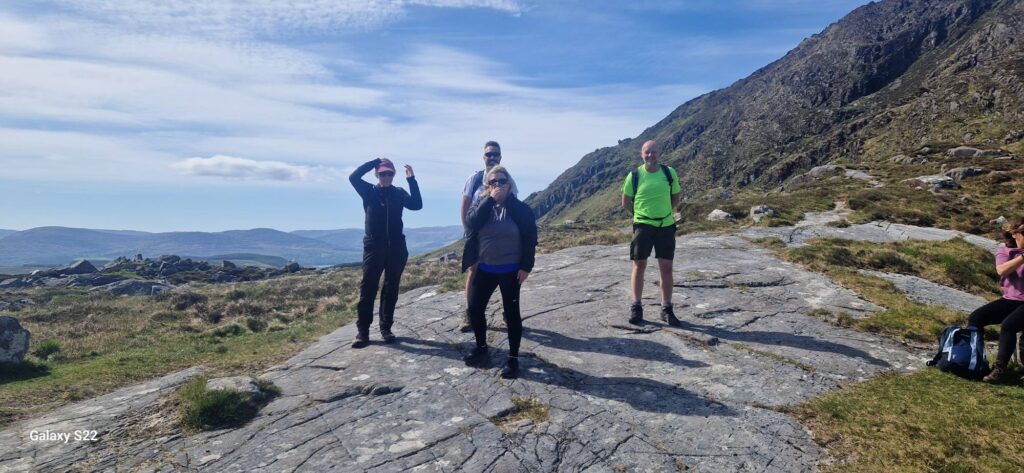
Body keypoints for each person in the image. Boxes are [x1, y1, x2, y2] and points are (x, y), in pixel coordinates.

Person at [460, 165, 537, 379]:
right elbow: (472, 222)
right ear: (487, 186)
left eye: (501, 181)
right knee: (475, 309)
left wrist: (525, 267)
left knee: (512, 315)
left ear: (509, 185)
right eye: (493, 182)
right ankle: (482, 348)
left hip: (511, 270)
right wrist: (490, 200)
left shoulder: (521, 209)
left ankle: (512, 360)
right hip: (484, 267)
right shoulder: (483, 205)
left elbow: (531, 238)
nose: (497, 185)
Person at [348, 158, 422, 348]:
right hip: (374, 246)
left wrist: (412, 180)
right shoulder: (368, 191)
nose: (386, 177)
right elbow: (353, 177)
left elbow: (416, 204)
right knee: (368, 288)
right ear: (377, 174)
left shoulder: (398, 193)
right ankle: (362, 332)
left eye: (389, 173)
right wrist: (374, 161)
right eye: (382, 173)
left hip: (397, 247)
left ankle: (386, 328)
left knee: (391, 289)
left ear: (393, 174)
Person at [458, 141, 519, 332]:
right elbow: (465, 204)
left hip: (501, 237)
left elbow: (514, 207)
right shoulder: (474, 179)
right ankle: (470, 313)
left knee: (506, 273)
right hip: (478, 235)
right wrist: (468, 230)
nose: (492, 157)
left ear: (500, 156)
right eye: (488, 154)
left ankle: (508, 313)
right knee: (474, 271)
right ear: (483, 157)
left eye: (495, 154)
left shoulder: (508, 179)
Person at [621, 140, 682, 326]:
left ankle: (666, 308)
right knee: (639, 264)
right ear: (642, 154)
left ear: (659, 153)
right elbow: (625, 201)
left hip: (665, 225)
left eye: (654, 152)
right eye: (647, 152)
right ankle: (636, 306)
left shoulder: (669, 173)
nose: (650, 156)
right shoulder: (634, 175)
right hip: (643, 226)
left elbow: (676, 196)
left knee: (666, 267)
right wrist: (639, 216)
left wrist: (666, 213)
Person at [970, 220, 1024, 382]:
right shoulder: (1005, 251)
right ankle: (975, 362)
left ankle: (999, 370)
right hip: (1010, 299)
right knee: (976, 318)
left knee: (1008, 325)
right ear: (1015, 234)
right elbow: (1002, 270)